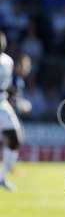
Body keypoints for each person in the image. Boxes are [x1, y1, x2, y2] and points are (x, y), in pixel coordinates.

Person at [0, 32, 24, 192]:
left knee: (15, 139)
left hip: (1, 103)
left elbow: (7, 85)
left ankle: (2, 178)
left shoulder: (8, 61)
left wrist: (16, 98)